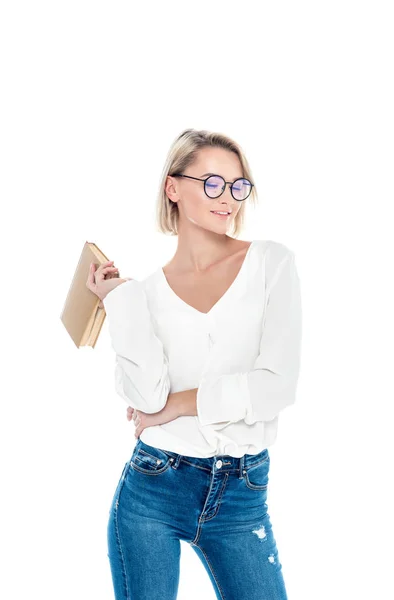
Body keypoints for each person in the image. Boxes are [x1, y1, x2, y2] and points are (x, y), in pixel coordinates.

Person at [87, 128, 302, 600]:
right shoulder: (144, 295)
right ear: (173, 188)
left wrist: (177, 406)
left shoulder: (272, 264)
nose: (227, 198)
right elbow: (145, 399)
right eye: (211, 182)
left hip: (242, 493)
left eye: (237, 185)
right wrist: (121, 300)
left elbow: (277, 387)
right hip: (153, 487)